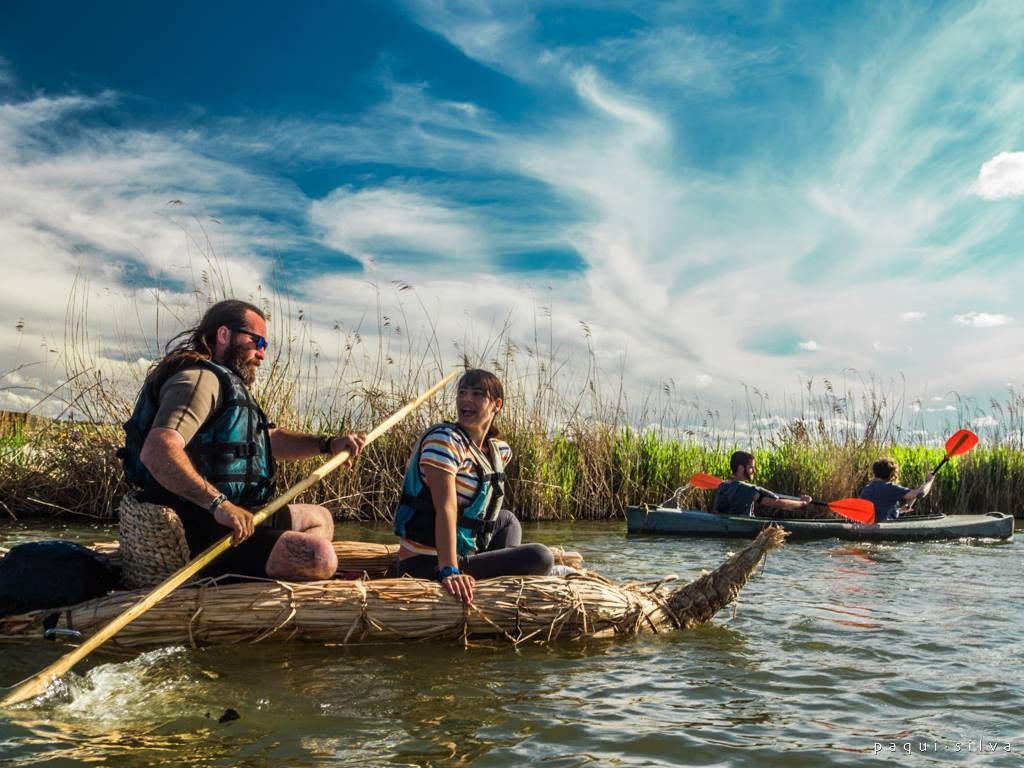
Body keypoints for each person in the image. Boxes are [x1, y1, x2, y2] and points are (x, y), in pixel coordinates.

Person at [121, 299, 365, 580]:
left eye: (266, 346)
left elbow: (267, 439)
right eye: (257, 342)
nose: (261, 354)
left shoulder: (227, 382)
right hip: (196, 519)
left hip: (236, 514)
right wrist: (219, 504)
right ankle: (239, 584)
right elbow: (157, 449)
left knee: (320, 519)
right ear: (224, 335)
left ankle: (262, 577)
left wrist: (328, 444)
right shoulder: (200, 381)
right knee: (319, 556)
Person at [393, 368, 553, 603]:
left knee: (507, 519)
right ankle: (504, 577)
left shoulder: (498, 451)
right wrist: (449, 569)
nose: (466, 399)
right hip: (427, 563)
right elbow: (445, 508)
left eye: (477, 394)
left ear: (497, 405)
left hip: (466, 552)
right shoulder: (443, 441)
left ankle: (498, 577)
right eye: (462, 392)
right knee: (541, 556)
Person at [713, 451, 813, 517]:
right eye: (751, 467)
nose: (754, 471)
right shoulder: (747, 490)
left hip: (725, 525)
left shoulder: (723, 485)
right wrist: (803, 503)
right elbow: (779, 503)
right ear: (741, 468)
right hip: (742, 530)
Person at [859, 458, 934, 522]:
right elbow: (920, 494)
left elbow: (879, 510)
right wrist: (929, 481)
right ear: (891, 474)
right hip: (884, 529)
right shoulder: (890, 487)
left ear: (875, 473)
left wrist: (899, 510)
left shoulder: (867, 488)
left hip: (867, 527)